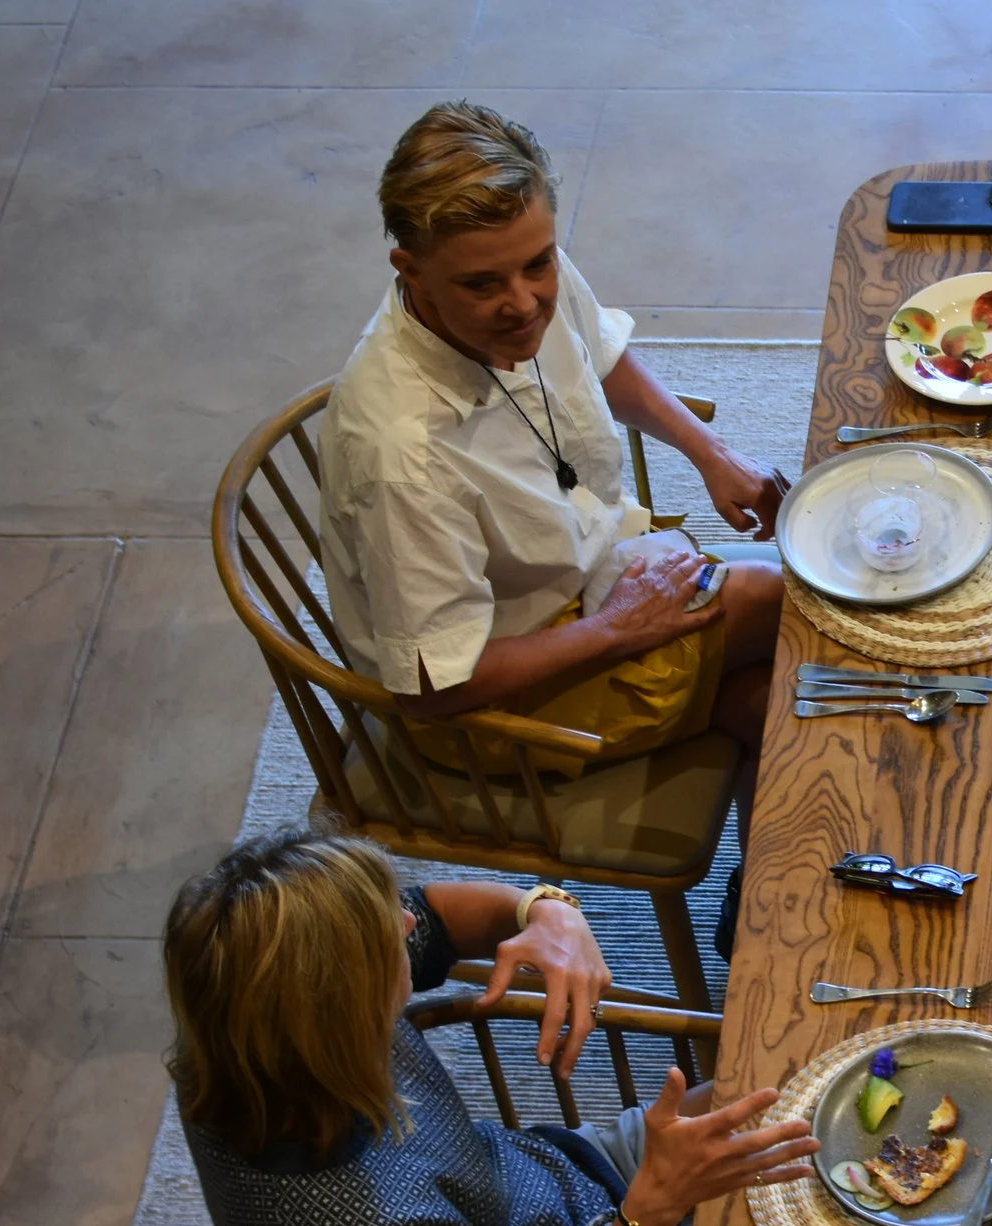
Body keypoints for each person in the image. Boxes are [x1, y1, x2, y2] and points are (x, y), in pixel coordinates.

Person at [165, 828, 819, 1226]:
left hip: (556, 1181)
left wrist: (544, 908)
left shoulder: (252, 1036)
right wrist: (652, 1213)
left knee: (797, 1086)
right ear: (342, 1009)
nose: (407, 921)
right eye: (386, 936)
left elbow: (436, 918)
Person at [319, 101, 783, 952]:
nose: (525, 300)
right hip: (496, 702)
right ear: (408, 270)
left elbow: (599, 356)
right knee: (795, 607)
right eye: (483, 284)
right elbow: (435, 687)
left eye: (539, 263)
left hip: (587, 582)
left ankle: (760, 912)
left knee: (771, 700)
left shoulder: (530, 277)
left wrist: (708, 451)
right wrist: (615, 632)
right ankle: (766, 918)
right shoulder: (401, 452)